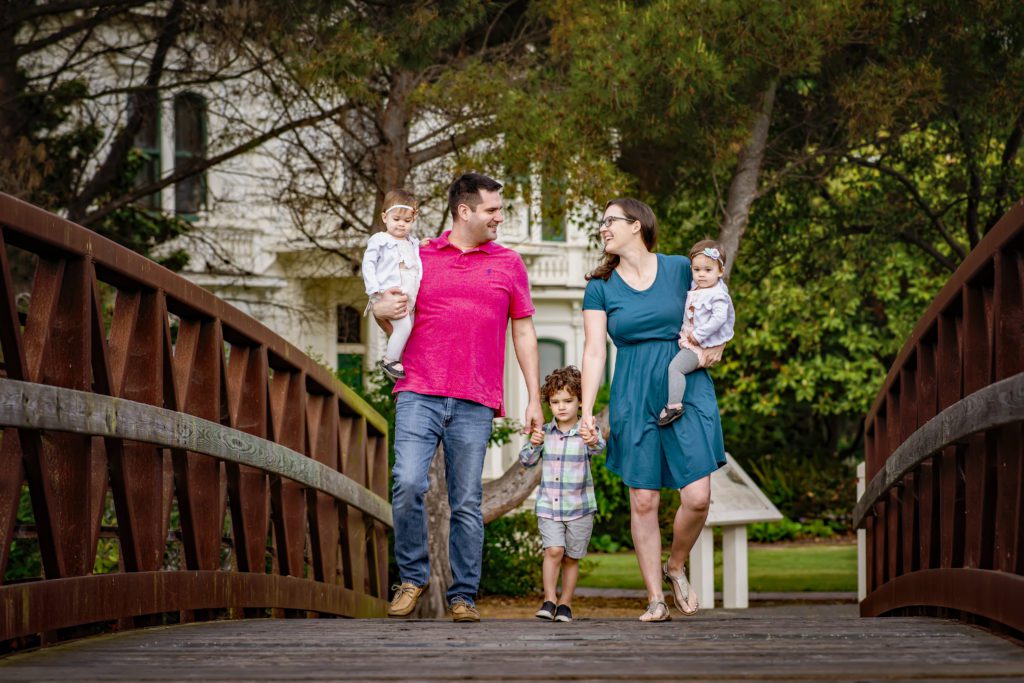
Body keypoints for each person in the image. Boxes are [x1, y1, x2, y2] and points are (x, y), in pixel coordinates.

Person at [372, 172, 544, 623]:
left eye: (499, 210)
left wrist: (533, 398)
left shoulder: (508, 263)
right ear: (464, 211)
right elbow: (391, 314)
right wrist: (378, 312)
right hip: (419, 390)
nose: (498, 218)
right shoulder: (420, 255)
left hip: (475, 397)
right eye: (491, 210)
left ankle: (463, 595)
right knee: (408, 482)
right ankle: (412, 576)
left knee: (465, 500)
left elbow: (523, 330)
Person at [578, 198, 726, 623]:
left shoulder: (682, 268)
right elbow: (593, 352)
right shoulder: (600, 285)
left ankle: (675, 565)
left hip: (686, 382)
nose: (603, 228)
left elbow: (717, 303)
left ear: (637, 224)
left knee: (697, 498)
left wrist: (717, 344)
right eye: (601, 222)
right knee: (643, 499)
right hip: (633, 390)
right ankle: (655, 598)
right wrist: (588, 412)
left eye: (610, 221)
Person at [519, 366, 605, 624]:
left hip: (580, 507)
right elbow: (525, 461)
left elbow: (599, 447)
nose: (562, 407)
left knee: (571, 557)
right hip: (549, 507)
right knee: (554, 550)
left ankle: (565, 603)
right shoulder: (544, 433)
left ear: (580, 402)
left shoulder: (586, 431)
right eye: (556, 402)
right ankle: (549, 599)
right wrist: (533, 444)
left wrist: (592, 439)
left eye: (568, 401)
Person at [658, 239, 735, 426]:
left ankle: (674, 405)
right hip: (691, 340)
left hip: (700, 347)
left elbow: (719, 318)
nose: (701, 275)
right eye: (697, 270)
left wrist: (699, 335)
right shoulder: (700, 288)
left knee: (675, 368)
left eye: (708, 270)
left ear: (720, 272)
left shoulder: (717, 295)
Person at [361, 189, 423, 381]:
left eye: (407, 221)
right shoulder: (380, 240)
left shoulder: (412, 242)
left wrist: (424, 245)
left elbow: (418, 252)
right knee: (403, 328)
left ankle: (402, 363)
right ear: (385, 217)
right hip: (390, 293)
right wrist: (375, 290)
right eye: (396, 219)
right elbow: (368, 264)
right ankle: (390, 360)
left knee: (409, 331)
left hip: (409, 295)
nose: (401, 225)